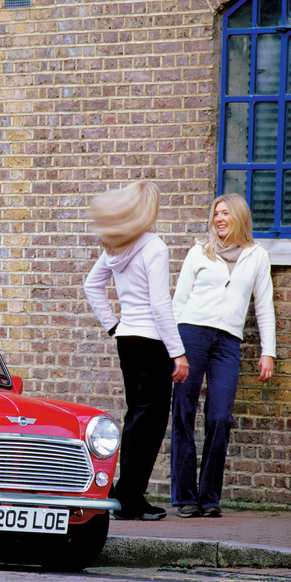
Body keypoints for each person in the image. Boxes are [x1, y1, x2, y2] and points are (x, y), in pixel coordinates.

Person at [84, 180, 189, 521]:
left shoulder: (116, 248)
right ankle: (130, 498)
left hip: (127, 340)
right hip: (152, 342)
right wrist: (178, 352)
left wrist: (113, 325)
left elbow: (91, 285)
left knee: (135, 418)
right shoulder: (154, 246)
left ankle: (124, 493)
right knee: (151, 423)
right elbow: (160, 305)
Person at [171, 193, 275, 518]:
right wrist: (174, 349)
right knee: (184, 411)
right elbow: (178, 302)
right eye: (216, 213)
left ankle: (209, 497)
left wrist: (268, 352)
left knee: (220, 417)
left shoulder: (257, 256)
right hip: (191, 334)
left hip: (228, 342)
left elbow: (264, 305)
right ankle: (185, 497)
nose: (218, 218)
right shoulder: (199, 251)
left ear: (240, 217)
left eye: (225, 213)